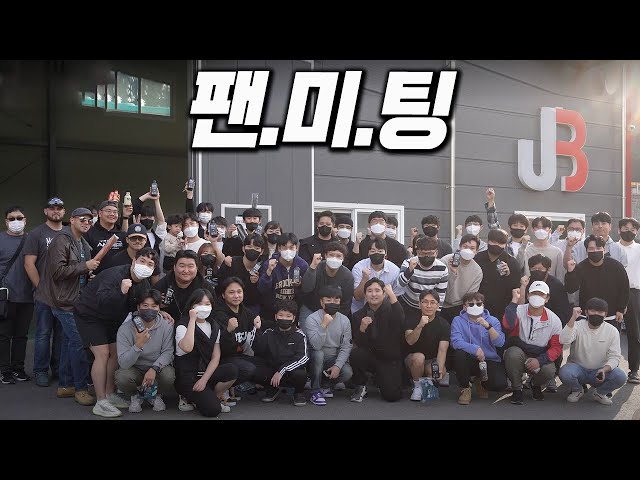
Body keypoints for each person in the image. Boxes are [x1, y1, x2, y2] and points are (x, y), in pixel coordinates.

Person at [73, 248, 159, 417]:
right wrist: (121, 291)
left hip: (112, 318)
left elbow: (142, 305)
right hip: (90, 314)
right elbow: (102, 300)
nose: (145, 266)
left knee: (115, 352)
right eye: (142, 261)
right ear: (134, 261)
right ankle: (101, 401)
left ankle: (109, 393)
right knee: (102, 354)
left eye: (150, 264)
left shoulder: (144, 284)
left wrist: (159, 312)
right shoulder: (115, 275)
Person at [37, 207, 97, 407]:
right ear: (71, 220)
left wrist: (88, 274)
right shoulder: (61, 240)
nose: (86, 222)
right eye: (82, 219)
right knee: (79, 342)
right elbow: (57, 271)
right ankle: (80, 388)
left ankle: (65, 385)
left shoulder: (83, 243)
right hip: (62, 301)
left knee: (68, 343)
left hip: (75, 299)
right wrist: (85, 266)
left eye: (89, 220)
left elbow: (79, 271)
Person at [174, 289, 238, 417]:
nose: (203, 307)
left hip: (206, 375)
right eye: (199, 304)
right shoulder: (182, 325)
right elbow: (187, 347)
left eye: (207, 304)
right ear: (191, 306)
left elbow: (216, 357)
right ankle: (188, 397)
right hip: (189, 377)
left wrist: (204, 380)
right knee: (213, 410)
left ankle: (214, 396)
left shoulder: (214, 325)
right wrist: (192, 320)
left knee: (232, 369)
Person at [24, 197, 65, 386]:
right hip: (44, 294)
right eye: (52, 208)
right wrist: (41, 288)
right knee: (43, 333)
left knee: (61, 334)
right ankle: (40, 370)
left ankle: (58, 369)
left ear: (64, 212)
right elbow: (29, 264)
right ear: (45, 211)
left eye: (59, 208)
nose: (56, 211)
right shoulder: (36, 234)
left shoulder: (67, 233)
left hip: (64, 294)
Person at [502, 281, 563, 405]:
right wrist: (514, 301)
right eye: (534, 293)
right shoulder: (518, 310)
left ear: (547, 298)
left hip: (540, 355)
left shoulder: (555, 320)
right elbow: (508, 324)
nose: (537, 297)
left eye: (541, 294)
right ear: (528, 295)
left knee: (549, 370)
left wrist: (539, 361)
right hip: (520, 352)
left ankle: (534, 384)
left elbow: (556, 347)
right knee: (512, 354)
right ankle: (517, 388)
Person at [115, 289, 175, 413]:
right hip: (135, 368)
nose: (150, 309)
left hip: (156, 368)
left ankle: (155, 394)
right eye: (145, 305)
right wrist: (138, 345)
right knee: (122, 377)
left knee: (169, 375)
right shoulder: (125, 329)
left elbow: (168, 352)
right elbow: (124, 363)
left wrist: (154, 368)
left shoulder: (166, 325)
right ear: (138, 307)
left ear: (159, 308)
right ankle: (135, 395)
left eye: (154, 306)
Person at [558, 298, 627, 405]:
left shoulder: (612, 331)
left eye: (600, 312)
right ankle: (577, 390)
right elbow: (563, 340)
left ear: (605, 314)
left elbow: (615, 356)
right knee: (565, 372)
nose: (596, 314)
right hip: (578, 369)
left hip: (599, 372)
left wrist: (604, 370)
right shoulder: (577, 325)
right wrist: (572, 318)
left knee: (621, 376)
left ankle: (600, 393)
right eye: (593, 311)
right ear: (586, 312)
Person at [350, 279, 406, 403]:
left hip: (389, 358)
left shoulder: (393, 310)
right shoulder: (358, 315)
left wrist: (392, 295)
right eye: (369, 291)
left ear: (384, 293)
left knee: (392, 396)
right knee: (356, 354)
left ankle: (381, 380)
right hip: (370, 356)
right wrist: (362, 328)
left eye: (377, 291)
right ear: (365, 295)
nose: (373, 294)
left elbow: (401, 320)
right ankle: (361, 385)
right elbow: (359, 343)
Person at [451, 292, 506, 405]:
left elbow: (500, 343)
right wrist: (474, 349)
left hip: (488, 359)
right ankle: (465, 388)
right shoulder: (457, 320)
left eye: (479, 304)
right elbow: (455, 342)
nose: (475, 306)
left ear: (483, 306)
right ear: (464, 307)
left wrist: (488, 327)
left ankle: (480, 381)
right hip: (468, 359)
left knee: (500, 385)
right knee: (459, 354)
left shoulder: (493, 320)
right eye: (471, 304)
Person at [564, 235, 629, 331]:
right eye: (591, 249)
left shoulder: (616, 266)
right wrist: (570, 273)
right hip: (587, 316)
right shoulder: (581, 267)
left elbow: (624, 288)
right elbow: (570, 289)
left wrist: (621, 309)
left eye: (598, 248)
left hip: (611, 316)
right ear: (586, 251)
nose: (595, 251)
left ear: (604, 249)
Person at [302, 285, 353, 406]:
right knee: (319, 354)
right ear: (321, 302)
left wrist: (337, 366)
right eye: (328, 300)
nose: (332, 303)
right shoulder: (312, 319)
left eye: (336, 300)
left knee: (347, 372)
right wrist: (323, 325)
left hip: (332, 358)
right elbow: (316, 346)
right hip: (314, 357)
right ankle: (315, 391)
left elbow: (346, 346)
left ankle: (325, 386)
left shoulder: (344, 320)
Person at [252, 299, 308, 407]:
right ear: (275, 317)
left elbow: (303, 358)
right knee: (252, 367)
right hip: (272, 371)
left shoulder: (299, 335)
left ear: (293, 318)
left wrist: (282, 370)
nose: (284, 318)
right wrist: (257, 330)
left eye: (288, 316)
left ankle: (298, 393)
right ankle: (272, 389)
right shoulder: (269, 333)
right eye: (281, 315)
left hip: (290, 371)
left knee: (301, 373)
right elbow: (258, 350)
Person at [0, 205, 32, 384]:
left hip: (27, 296)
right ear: (6, 222)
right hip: (5, 296)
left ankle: (18, 369)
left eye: (19, 218)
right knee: (3, 336)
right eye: (11, 219)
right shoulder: (1, 239)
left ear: (25, 220)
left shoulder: (31, 240)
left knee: (21, 335)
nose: (16, 221)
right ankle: (4, 371)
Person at [212, 277, 261, 388]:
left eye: (239, 292)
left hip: (240, 355)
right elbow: (221, 347)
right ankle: (221, 388)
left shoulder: (246, 312)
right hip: (223, 358)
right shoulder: (218, 315)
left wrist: (258, 322)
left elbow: (256, 331)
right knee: (248, 369)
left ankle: (236, 386)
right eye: (231, 292)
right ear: (223, 295)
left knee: (265, 367)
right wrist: (228, 331)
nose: (236, 296)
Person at [404, 291, 451, 401]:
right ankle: (417, 387)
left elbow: (442, 350)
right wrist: (420, 326)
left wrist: (439, 369)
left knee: (438, 370)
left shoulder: (443, 324)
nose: (429, 306)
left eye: (432, 302)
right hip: (412, 359)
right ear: (419, 304)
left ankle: (429, 384)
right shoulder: (411, 319)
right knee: (419, 357)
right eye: (425, 302)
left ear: (437, 305)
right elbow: (410, 341)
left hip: (431, 361)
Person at [257, 233, 309, 330]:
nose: (288, 251)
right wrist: (268, 272)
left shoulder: (302, 265)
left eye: (291, 247)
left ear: (296, 248)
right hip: (271, 310)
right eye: (284, 247)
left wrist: (300, 285)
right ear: (279, 248)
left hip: (293, 312)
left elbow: (306, 291)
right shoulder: (269, 264)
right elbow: (262, 289)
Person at [395, 235, 448, 325]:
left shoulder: (442, 268)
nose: (427, 256)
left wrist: (435, 315)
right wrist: (409, 271)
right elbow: (400, 285)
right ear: (418, 252)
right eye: (423, 254)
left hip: (429, 307)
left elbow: (440, 295)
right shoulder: (408, 263)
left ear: (436, 253)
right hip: (409, 305)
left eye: (430, 254)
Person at [300, 241, 354, 328]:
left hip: (335, 312)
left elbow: (346, 303)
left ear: (343, 258)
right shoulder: (316, 268)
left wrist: (335, 319)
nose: (334, 258)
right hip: (311, 309)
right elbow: (306, 288)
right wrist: (312, 267)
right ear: (325, 256)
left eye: (338, 256)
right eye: (331, 255)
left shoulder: (347, 276)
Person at [154, 250, 217, 323]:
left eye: (190, 266)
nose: (186, 270)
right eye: (182, 266)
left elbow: (214, 311)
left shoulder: (205, 287)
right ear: (174, 267)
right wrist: (159, 311)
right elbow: (150, 305)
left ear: (197, 268)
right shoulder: (163, 284)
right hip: (169, 324)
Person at [475, 228, 522, 321]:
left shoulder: (512, 263)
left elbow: (516, 288)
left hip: (502, 309)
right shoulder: (477, 259)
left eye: (501, 243)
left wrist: (508, 275)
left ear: (505, 245)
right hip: (478, 306)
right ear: (488, 241)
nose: (497, 245)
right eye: (493, 242)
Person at [351, 238, 401, 314]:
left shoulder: (394, 270)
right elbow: (358, 297)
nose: (376, 253)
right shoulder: (358, 267)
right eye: (373, 251)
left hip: (385, 311)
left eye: (380, 251)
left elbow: (394, 299)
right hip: (360, 310)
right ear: (368, 253)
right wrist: (364, 279)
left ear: (385, 253)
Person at [440, 234, 483, 322]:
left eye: (472, 248)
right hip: (440, 304)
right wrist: (453, 272)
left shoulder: (477, 271)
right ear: (459, 247)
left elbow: (470, 296)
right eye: (465, 247)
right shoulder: (445, 261)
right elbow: (439, 286)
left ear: (477, 251)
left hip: (460, 307)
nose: (468, 250)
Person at [217, 234, 265, 313]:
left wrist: (255, 283)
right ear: (243, 248)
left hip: (251, 309)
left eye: (256, 248)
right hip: (228, 307)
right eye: (249, 247)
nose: (252, 250)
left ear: (261, 251)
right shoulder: (231, 262)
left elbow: (262, 295)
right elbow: (220, 285)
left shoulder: (263, 267)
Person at [618, 217, 640, 383]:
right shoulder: (612, 248)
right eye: (625, 228)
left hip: (634, 293)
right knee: (611, 331)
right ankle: (610, 369)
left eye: (633, 229)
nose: (629, 232)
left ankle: (634, 370)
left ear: (637, 232)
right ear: (619, 230)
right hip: (614, 292)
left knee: (634, 333)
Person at [484, 188, 530, 263]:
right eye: (515, 225)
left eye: (521, 226)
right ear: (510, 227)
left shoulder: (530, 246)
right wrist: (491, 200)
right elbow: (493, 224)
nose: (518, 228)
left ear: (526, 229)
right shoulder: (503, 242)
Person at [83, 200, 128, 274]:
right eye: (108, 211)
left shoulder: (122, 235)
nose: (112, 214)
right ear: (100, 213)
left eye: (115, 212)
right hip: (96, 278)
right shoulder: (89, 234)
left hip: (119, 277)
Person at [522, 216, 565, 281]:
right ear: (533, 230)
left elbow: (560, 276)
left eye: (544, 228)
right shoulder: (526, 251)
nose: (541, 230)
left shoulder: (557, 252)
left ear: (550, 231)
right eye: (538, 227)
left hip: (551, 286)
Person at [132, 189, 167, 256]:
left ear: (154, 220)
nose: (147, 218)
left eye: (150, 216)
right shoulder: (133, 236)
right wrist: (146, 196)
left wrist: (156, 200)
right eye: (144, 216)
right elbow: (131, 208)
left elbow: (161, 221)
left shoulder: (158, 236)